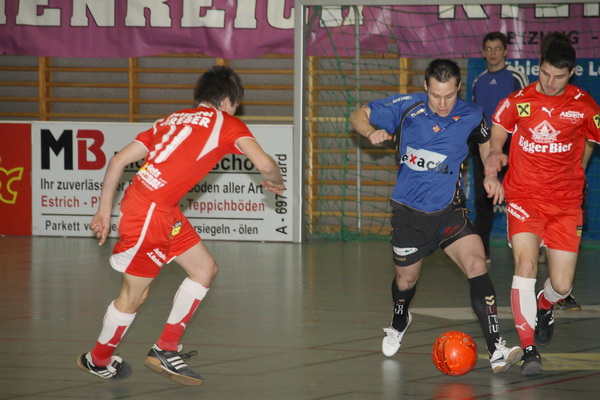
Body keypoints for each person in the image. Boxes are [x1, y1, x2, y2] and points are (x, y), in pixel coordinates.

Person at [77, 66, 286, 386]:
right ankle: (98, 359)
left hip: (160, 209)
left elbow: (118, 160)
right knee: (134, 296)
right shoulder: (226, 122)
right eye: (236, 105)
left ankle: (166, 347)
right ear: (227, 101)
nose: (235, 111)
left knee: (204, 269)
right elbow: (266, 164)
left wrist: (104, 211)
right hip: (148, 214)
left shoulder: (172, 119)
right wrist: (277, 181)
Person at [349, 59, 522, 374]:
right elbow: (358, 114)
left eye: (449, 96)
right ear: (426, 88)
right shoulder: (407, 106)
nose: (443, 104)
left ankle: (496, 348)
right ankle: (400, 319)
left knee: (476, 264)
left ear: (458, 88)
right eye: (435, 95)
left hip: (449, 211)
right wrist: (371, 132)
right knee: (406, 280)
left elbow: (485, 140)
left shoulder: (472, 113)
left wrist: (490, 173)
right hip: (409, 214)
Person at [484, 34, 600, 375]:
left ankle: (544, 304)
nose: (550, 82)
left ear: (571, 73)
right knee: (526, 265)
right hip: (524, 197)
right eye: (545, 73)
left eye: (559, 76)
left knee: (561, 285)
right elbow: (497, 136)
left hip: (565, 202)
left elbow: (592, 137)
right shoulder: (518, 101)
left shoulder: (584, 105)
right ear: (539, 67)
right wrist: (494, 157)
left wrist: (580, 169)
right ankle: (529, 349)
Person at [470, 32, 529, 263]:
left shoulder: (516, 77)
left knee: (523, 196)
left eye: (497, 48)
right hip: (484, 148)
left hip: (513, 146)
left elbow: (527, 111)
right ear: (483, 53)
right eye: (488, 49)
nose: (493, 53)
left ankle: (535, 247)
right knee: (483, 199)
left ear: (505, 51)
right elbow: (474, 116)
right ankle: (482, 251)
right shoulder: (478, 81)